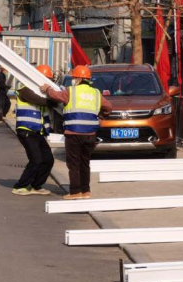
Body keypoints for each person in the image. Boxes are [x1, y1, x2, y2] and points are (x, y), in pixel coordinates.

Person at [41, 65, 113, 200]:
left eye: (74, 78)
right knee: (85, 163)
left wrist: (48, 89)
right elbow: (109, 107)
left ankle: (75, 192)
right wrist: (101, 116)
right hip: (90, 134)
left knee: (73, 163)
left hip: (74, 133)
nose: (73, 80)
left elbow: (56, 96)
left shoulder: (71, 91)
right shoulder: (96, 93)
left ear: (78, 79)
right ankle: (86, 191)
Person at [12, 65, 56, 196]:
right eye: (46, 79)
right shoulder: (25, 89)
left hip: (38, 132)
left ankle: (36, 185)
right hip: (26, 130)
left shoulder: (42, 94)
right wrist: (53, 99)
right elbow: (41, 101)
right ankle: (20, 186)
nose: (48, 83)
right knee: (36, 160)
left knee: (48, 160)